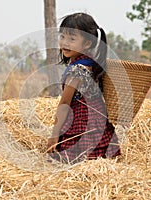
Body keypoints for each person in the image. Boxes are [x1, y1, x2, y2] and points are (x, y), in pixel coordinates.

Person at [46, 12, 121, 164]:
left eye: (72, 39)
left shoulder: (77, 71)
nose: (65, 43)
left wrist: (54, 135)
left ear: (87, 43)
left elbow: (65, 104)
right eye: (62, 37)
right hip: (98, 122)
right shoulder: (92, 62)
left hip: (82, 124)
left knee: (64, 161)